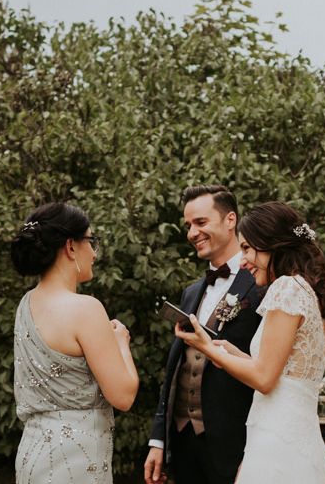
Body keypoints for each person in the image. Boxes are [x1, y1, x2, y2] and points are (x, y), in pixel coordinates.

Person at [176, 202, 325, 483]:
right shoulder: (312, 294)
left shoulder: (286, 288)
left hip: (276, 441)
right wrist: (231, 353)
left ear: (272, 245)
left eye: (247, 249)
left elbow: (264, 379)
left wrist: (204, 348)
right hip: (299, 440)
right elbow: (286, 374)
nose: (242, 261)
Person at [11, 202, 138, 484]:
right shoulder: (85, 308)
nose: (94, 252)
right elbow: (124, 396)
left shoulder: (25, 305)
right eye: (91, 241)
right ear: (71, 247)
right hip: (77, 462)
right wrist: (121, 344)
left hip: (32, 454)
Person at [144, 185, 262, 484]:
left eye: (200, 223)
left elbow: (267, 369)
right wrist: (159, 440)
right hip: (183, 441)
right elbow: (175, 368)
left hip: (235, 443)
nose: (192, 233)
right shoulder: (192, 292)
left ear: (230, 220)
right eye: (188, 226)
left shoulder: (262, 284)